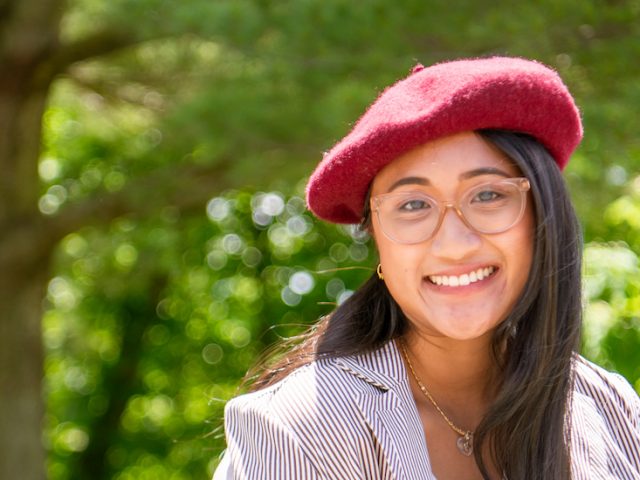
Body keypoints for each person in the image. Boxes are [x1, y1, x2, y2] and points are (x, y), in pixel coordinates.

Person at [213, 57, 640, 479]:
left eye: (488, 195)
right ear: (378, 240)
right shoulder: (300, 427)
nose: (454, 245)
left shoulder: (610, 409)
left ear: (542, 214)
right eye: (413, 205)